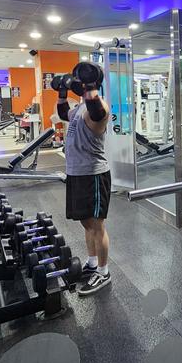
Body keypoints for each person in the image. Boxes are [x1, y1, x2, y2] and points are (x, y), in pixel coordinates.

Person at [56, 62, 112, 294]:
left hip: (93, 175)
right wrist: (61, 91)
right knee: (85, 222)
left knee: (97, 225)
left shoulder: (99, 108)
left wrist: (88, 85)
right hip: (76, 173)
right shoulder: (78, 109)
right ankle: (91, 263)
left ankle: (103, 271)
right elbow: (62, 113)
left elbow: (96, 110)